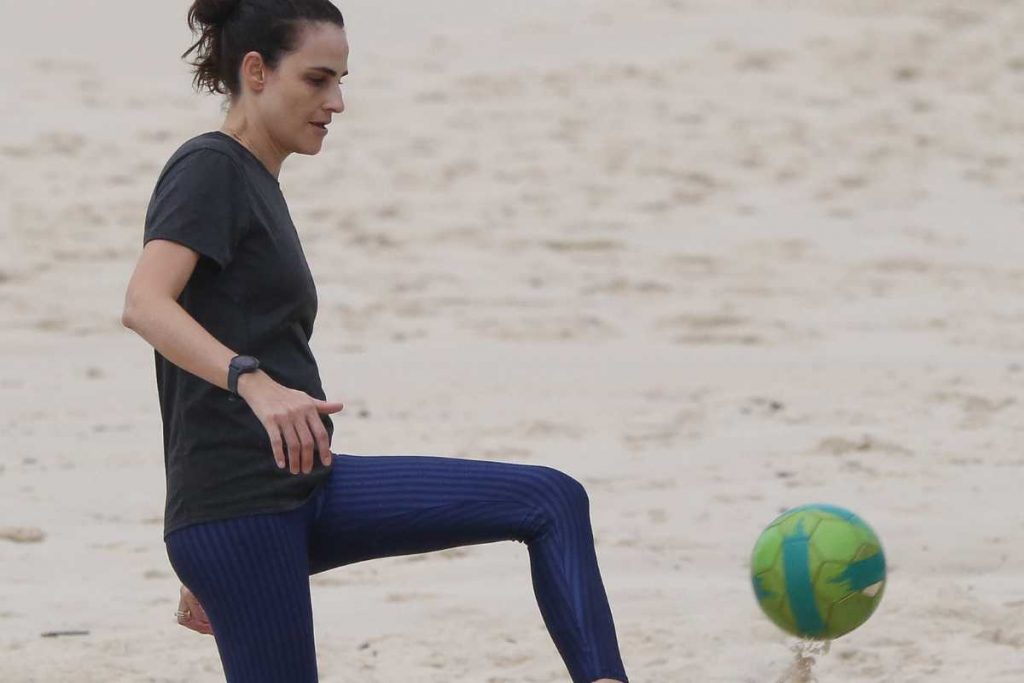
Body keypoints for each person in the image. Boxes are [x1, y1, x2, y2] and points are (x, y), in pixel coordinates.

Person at [121, 1, 630, 681]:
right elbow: (145, 303)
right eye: (318, 79)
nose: (336, 101)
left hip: (303, 490)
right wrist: (253, 382)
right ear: (257, 72)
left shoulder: (257, 181)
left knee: (551, 499)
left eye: (342, 80)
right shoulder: (208, 167)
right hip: (242, 509)